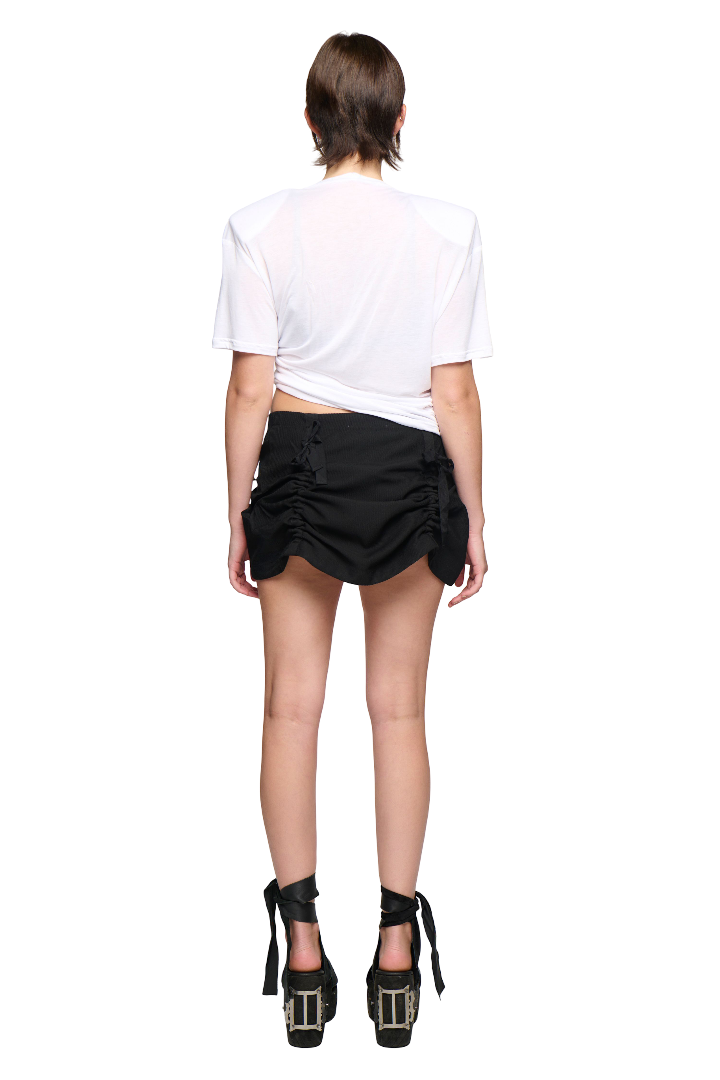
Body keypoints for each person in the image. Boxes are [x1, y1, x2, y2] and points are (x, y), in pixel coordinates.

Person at [212, 31, 490, 1047]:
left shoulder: (256, 225)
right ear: (400, 118)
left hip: (294, 464)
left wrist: (238, 510)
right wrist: (475, 515)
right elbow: (454, 392)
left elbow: (249, 387)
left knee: (290, 711)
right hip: (410, 471)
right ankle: (396, 959)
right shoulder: (451, 228)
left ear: (311, 120)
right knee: (399, 714)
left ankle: (300, 962)